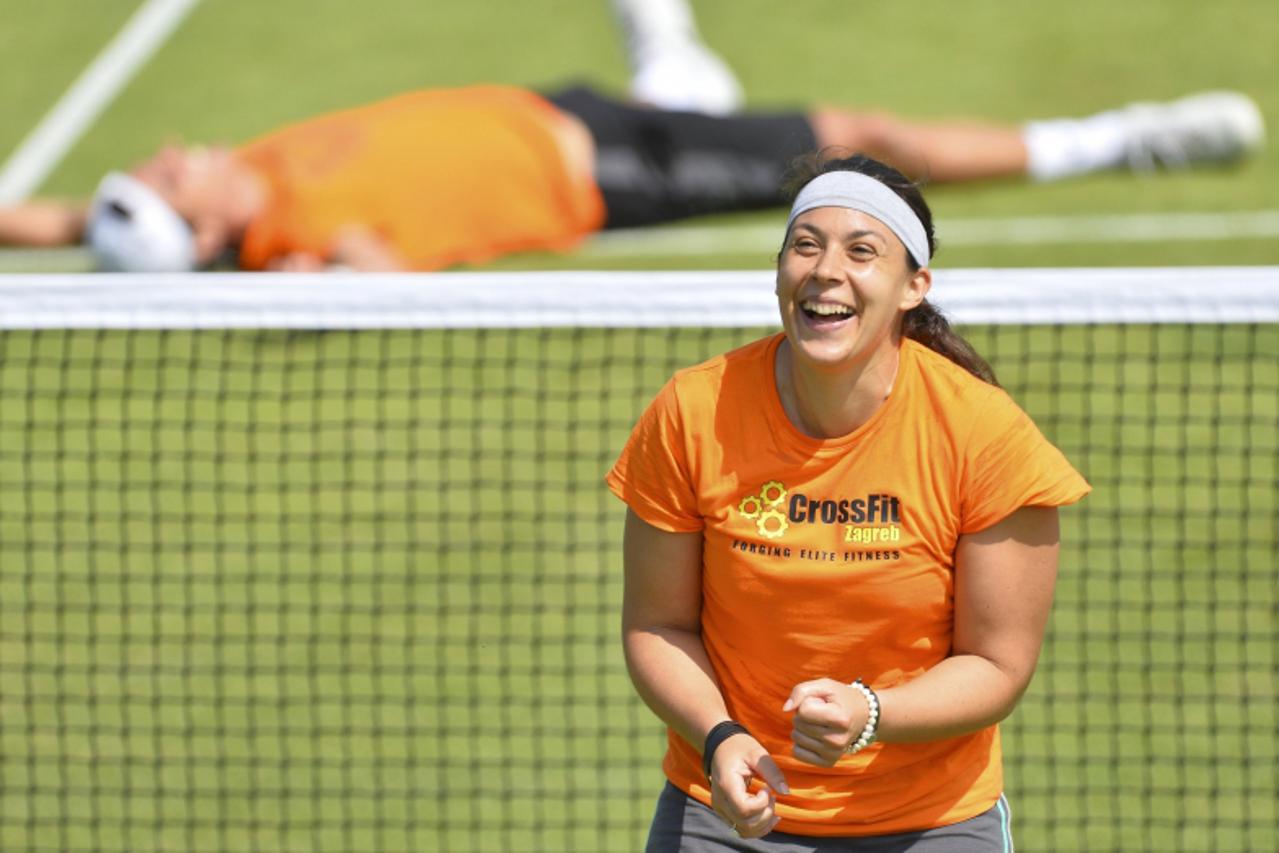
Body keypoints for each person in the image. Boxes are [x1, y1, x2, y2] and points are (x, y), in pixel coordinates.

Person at [605, 153, 1091, 849]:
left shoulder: (984, 436)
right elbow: (657, 624)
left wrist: (872, 711)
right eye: (805, 245)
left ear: (912, 286)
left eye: (861, 251)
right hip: (729, 810)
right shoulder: (691, 412)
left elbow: (996, 665)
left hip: (931, 820)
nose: (825, 270)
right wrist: (719, 736)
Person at [0, 82, 1263, 272]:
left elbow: (53, 219)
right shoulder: (297, 248)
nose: (169, 151)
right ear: (199, 230)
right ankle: (1120, 138)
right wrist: (320, 282)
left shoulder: (232, 188)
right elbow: (358, 284)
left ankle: (674, 59)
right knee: (872, 145)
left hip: (554, 102)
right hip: (618, 171)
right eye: (168, 174)